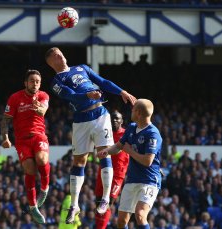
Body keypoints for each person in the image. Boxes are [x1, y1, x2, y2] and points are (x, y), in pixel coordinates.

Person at [45, 47, 136, 224]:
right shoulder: (56, 81)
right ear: (51, 63)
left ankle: (105, 199)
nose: (60, 55)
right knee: (79, 162)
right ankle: (75, 205)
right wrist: (88, 94)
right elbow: (69, 95)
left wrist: (121, 91)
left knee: (104, 153)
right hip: (81, 120)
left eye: (61, 53)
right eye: (55, 55)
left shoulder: (82, 68)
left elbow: (102, 81)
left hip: (100, 114)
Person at [97, 99, 162, 229]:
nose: (131, 111)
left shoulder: (153, 134)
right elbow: (119, 146)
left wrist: (129, 151)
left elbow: (148, 161)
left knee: (140, 214)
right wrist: (106, 151)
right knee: (121, 221)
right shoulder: (132, 127)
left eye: (133, 109)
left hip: (149, 180)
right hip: (132, 179)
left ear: (138, 112)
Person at [1, 69, 50, 224]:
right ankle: (33, 206)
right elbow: (5, 120)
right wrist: (5, 138)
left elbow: (43, 110)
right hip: (21, 140)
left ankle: (44, 187)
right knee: (29, 169)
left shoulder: (43, 96)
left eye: (37, 81)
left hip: (38, 136)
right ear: (25, 83)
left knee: (41, 160)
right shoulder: (15, 98)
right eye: (32, 81)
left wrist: (39, 108)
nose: (35, 84)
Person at [94, 111, 129, 229]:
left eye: (117, 119)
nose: (114, 121)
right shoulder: (104, 133)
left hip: (118, 174)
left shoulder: (127, 134)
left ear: (122, 121)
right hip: (103, 170)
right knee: (98, 202)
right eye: (112, 119)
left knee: (108, 202)